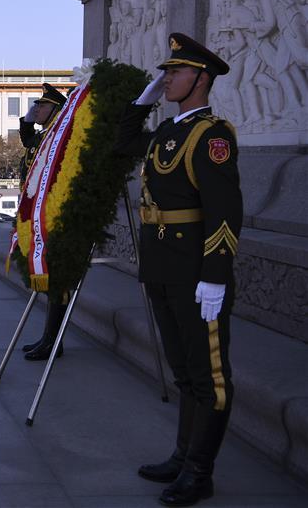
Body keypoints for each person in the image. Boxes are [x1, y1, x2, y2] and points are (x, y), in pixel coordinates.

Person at [116, 33, 241, 506]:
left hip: (195, 273)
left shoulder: (213, 137)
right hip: (162, 267)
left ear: (201, 78)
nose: (166, 78)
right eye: (165, 72)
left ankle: (200, 471)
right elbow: (124, 142)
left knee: (210, 375)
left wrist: (215, 275)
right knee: (184, 371)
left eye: (175, 72)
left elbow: (226, 212)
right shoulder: (169, 133)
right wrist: (142, 101)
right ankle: (183, 454)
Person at [18, 83, 71, 361]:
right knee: (49, 282)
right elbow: (26, 138)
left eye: (42, 106)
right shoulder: (42, 137)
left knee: (57, 282)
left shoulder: (56, 140)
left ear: (57, 111)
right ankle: (48, 339)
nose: (36, 109)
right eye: (36, 105)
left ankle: (53, 340)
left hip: (50, 219)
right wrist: (30, 117)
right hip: (36, 218)